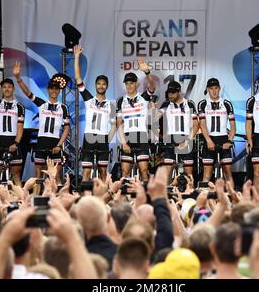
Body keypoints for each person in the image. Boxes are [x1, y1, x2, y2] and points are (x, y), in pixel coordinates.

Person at [13, 62, 70, 186]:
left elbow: (66, 129)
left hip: (55, 143)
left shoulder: (64, 108)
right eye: (52, 88)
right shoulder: (42, 104)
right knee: (38, 175)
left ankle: (57, 200)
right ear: (48, 90)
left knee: (56, 176)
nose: (54, 91)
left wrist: (60, 145)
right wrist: (18, 78)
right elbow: (27, 93)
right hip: (41, 142)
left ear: (59, 91)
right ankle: (35, 201)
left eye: (56, 89)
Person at [73, 44, 116, 182]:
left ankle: (102, 201)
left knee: (103, 173)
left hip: (102, 139)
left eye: (104, 84)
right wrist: (76, 56)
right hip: (89, 138)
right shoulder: (89, 100)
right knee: (86, 172)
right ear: (95, 85)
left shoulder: (112, 104)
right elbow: (78, 78)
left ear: (107, 86)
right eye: (99, 84)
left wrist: (108, 140)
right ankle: (86, 200)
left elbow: (115, 125)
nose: (101, 86)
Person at [116, 59, 156, 181]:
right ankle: (124, 198)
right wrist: (123, 142)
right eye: (127, 83)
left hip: (142, 137)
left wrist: (147, 72)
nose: (129, 85)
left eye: (132, 83)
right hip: (127, 137)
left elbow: (152, 87)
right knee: (125, 172)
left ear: (136, 84)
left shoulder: (143, 97)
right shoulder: (120, 101)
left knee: (144, 172)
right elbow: (119, 124)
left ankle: (145, 198)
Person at [157, 81, 198, 179]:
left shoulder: (190, 104)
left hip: (186, 138)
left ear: (179, 92)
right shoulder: (166, 104)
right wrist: (153, 110)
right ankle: (167, 193)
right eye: (169, 92)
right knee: (167, 174)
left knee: (188, 175)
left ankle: (189, 192)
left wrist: (187, 141)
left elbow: (196, 125)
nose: (170, 95)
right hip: (170, 140)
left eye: (173, 93)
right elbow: (155, 118)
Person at [198, 78, 236, 183]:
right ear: (207, 90)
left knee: (228, 174)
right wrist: (208, 140)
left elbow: (233, 126)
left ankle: (232, 199)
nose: (214, 91)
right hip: (209, 139)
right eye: (211, 88)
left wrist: (230, 141)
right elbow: (202, 124)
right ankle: (205, 198)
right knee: (206, 175)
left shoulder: (227, 104)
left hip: (223, 139)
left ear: (219, 88)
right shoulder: (203, 104)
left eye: (216, 88)